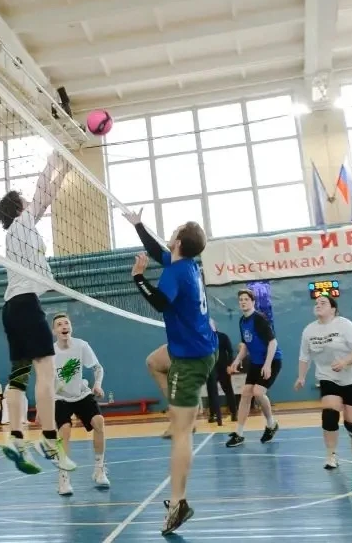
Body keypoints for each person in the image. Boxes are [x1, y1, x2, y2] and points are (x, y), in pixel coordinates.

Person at [127, 209, 216, 535]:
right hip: (197, 346)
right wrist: (138, 225)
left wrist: (138, 278)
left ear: (178, 242)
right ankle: (184, 409)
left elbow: (161, 303)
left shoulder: (177, 273)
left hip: (191, 358)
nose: (170, 234)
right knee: (154, 362)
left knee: (181, 434)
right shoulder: (187, 263)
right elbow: (157, 251)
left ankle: (178, 503)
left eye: (174, 231)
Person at [0, 151, 76, 475]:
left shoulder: (16, 233)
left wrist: (63, 167)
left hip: (11, 308)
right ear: (19, 209)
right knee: (46, 372)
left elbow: (45, 194)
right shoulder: (22, 223)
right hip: (26, 305)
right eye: (25, 202)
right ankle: (49, 439)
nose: (31, 203)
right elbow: (44, 190)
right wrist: (58, 158)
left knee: (18, 376)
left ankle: (15, 438)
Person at [294, 296, 352, 470]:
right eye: (316, 303)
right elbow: (304, 356)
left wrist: (345, 362)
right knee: (329, 413)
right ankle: (331, 455)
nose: (318, 305)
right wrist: (301, 377)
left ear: (333, 309)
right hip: (328, 376)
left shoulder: (344, 325)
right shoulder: (309, 330)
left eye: (323, 303)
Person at [50, 312, 110, 496]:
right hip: (59, 397)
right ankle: (63, 479)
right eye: (59, 324)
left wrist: (97, 384)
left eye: (66, 323)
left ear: (71, 327)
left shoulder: (81, 345)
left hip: (80, 393)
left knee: (99, 422)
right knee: (65, 430)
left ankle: (99, 470)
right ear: (54, 331)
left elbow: (98, 368)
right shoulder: (50, 352)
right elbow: (43, 381)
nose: (64, 326)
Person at [225, 289, 281, 448]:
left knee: (257, 392)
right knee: (245, 394)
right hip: (256, 363)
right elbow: (245, 345)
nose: (243, 302)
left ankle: (271, 424)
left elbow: (273, 342)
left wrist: (267, 364)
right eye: (241, 300)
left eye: (246, 299)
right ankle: (239, 434)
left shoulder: (259, 319)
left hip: (272, 360)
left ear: (253, 302)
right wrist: (236, 361)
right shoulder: (242, 321)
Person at [205, 320, 237, 424]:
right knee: (211, 392)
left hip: (223, 368)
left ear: (214, 325)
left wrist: (229, 365)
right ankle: (213, 414)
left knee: (228, 390)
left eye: (210, 324)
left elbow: (230, 351)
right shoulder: (205, 338)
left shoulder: (223, 337)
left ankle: (234, 413)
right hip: (210, 368)